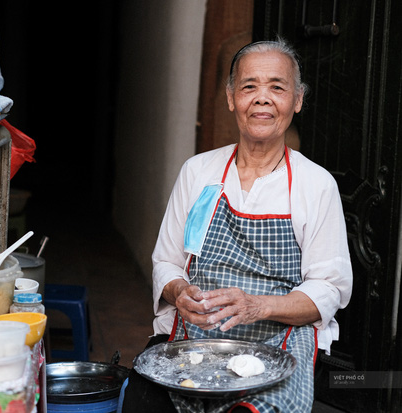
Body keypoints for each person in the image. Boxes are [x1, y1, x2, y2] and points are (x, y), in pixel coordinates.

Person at [121, 38, 353, 413]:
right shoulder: (198, 172)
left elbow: (328, 289)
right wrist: (180, 291)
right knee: (140, 403)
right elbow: (166, 262)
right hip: (198, 334)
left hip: (279, 339)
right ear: (231, 99)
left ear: (297, 100)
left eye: (277, 87)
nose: (262, 98)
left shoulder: (316, 184)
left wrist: (257, 306)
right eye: (249, 86)